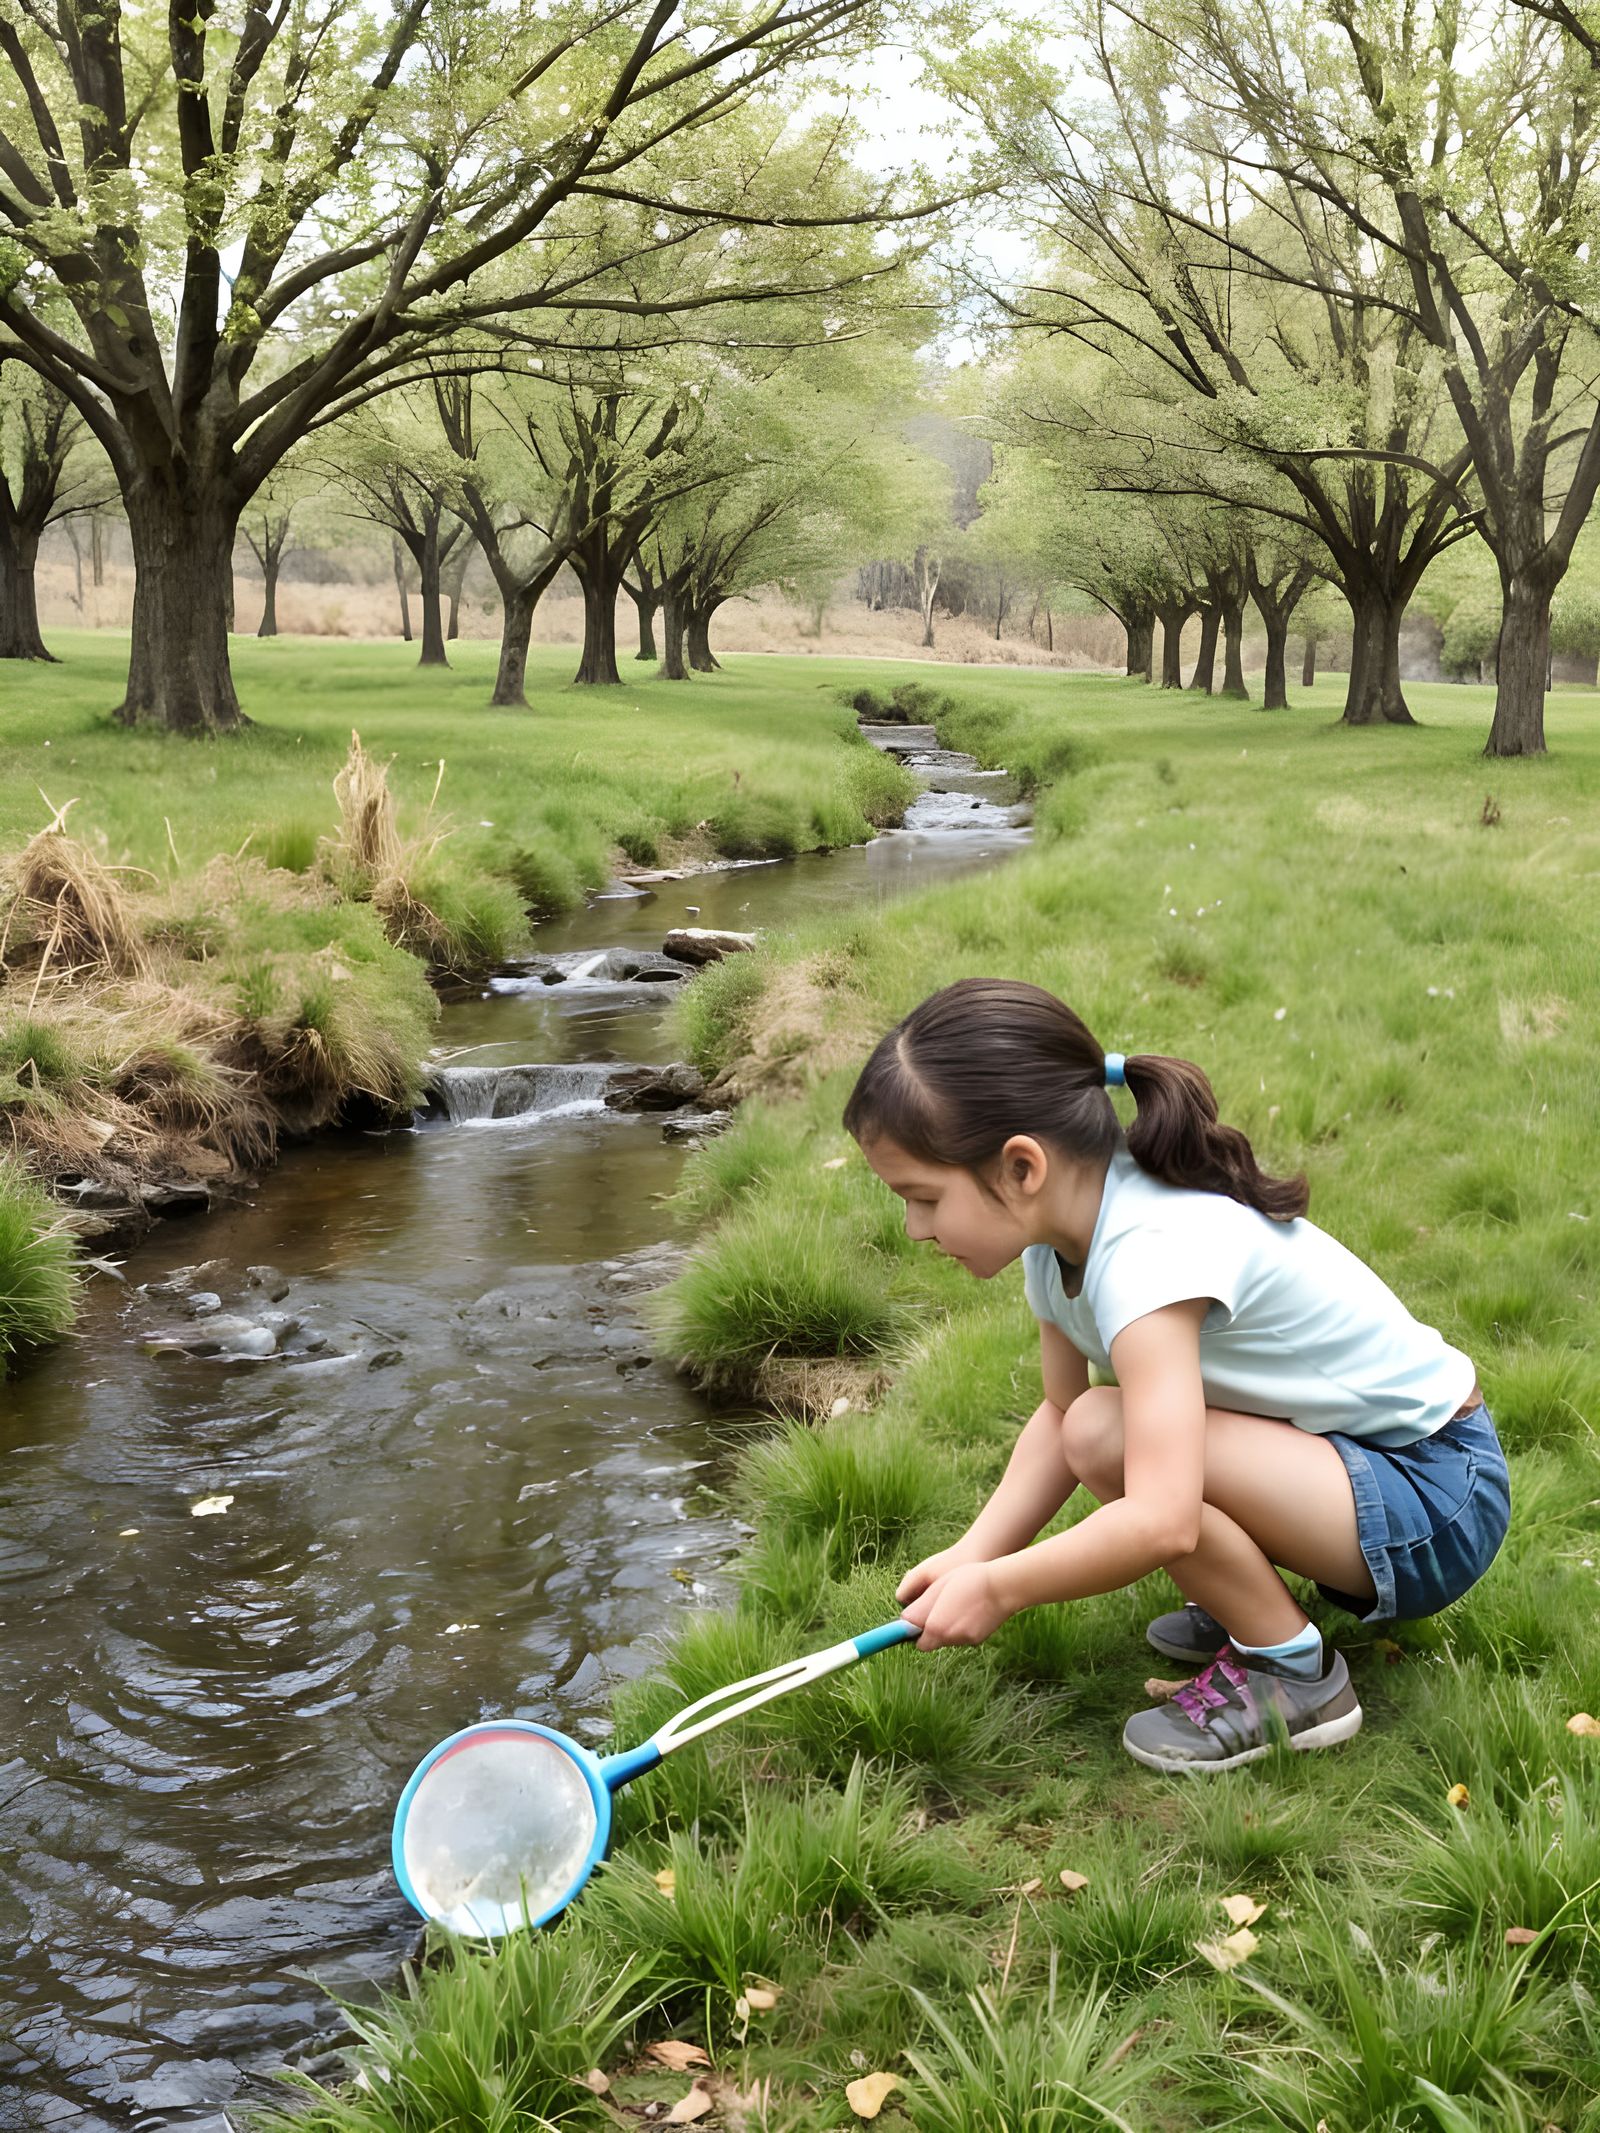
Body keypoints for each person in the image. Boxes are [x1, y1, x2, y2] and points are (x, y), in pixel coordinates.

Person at [843, 978, 1510, 1773]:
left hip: (1437, 1494)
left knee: (1112, 1433)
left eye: (922, 1198)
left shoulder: (1148, 1254)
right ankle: (1244, 1601)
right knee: (1094, 1423)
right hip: (1358, 1465)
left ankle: (1291, 1674)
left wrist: (1003, 1587)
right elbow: (1060, 1417)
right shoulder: (1058, 1238)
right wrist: (974, 1553)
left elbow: (1160, 1517)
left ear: (1022, 1166)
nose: (916, 1229)